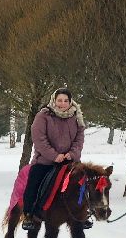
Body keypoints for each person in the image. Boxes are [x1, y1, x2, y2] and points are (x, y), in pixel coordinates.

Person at [20, 88, 85, 224]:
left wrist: (71, 154)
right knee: (34, 181)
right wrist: (54, 156)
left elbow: (79, 139)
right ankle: (28, 214)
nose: (63, 104)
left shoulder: (76, 117)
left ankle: (82, 214)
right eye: (59, 100)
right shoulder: (43, 116)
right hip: (45, 161)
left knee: (84, 182)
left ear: (70, 102)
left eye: (66, 101)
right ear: (54, 101)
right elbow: (39, 139)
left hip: (70, 161)